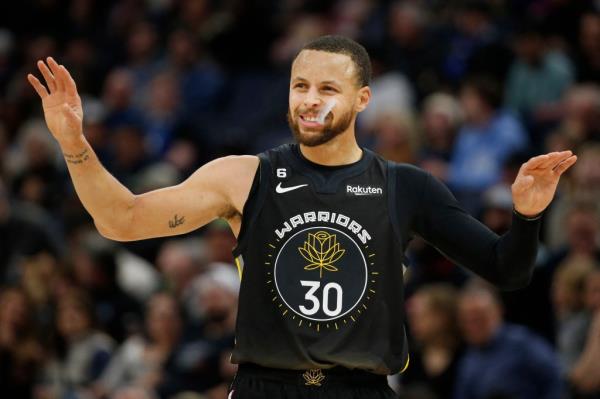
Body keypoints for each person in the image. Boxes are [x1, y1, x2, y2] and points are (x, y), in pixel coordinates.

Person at [28, 35, 577, 399]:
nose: (309, 101)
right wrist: (75, 145)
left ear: (363, 99)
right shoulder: (243, 176)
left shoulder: (405, 186)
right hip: (265, 386)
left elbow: (507, 270)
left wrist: (528, 216)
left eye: (327, 89)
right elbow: (122, 220)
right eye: (300, 86)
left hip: (360, 388)